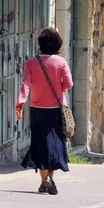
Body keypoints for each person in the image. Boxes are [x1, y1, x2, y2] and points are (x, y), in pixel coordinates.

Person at [15, 28, 73, 195]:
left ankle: (43, 181)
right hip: (55, 108)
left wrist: (20, 103)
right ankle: (49, 178)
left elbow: (25, 84)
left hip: (37, 108)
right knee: (54, 143)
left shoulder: (31, 63)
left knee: (40, 143)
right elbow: (69, 84)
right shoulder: (61, 62)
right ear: (57, 44)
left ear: (40, 44)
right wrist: (58, 88)